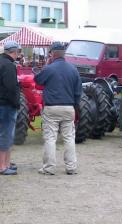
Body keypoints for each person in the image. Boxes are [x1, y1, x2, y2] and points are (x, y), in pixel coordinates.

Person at [34, 42, 82, 175]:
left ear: (52, 54)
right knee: (69, 138)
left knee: (50, 138)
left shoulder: (49, 69)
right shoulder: (73, 69)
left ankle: (49, 168)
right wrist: (76, 107)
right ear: (64, 53)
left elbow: (38, 80)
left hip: (51, 107)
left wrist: (46, 65)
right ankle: (71, 167)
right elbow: (78, 92)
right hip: (68, 107)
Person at [0, 40, 21, 175]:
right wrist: (16, 103)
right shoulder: (8, 66)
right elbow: (11, 87)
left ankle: (5, 164)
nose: (19, 54)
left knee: (5, 135)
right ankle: (1, 167)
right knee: (4, 136)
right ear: (14, 51)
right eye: (18, 51)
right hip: (5, 105)